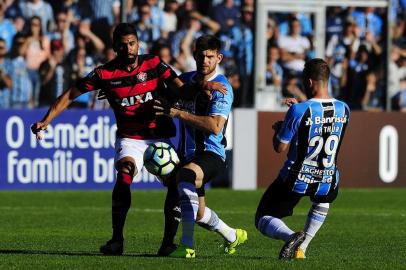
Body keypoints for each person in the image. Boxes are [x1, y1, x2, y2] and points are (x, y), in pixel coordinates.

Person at [30, 23, 225, 256]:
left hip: (159, 138)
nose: (129, 49)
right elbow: (70, 94)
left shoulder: (153, 63)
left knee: (176, 184)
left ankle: (167, 243)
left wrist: (204, 85)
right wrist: (46, 120)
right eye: (123, 45)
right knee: (125, 174)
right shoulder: (104, 74)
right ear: (115, 48)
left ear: (138, 43)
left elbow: (180, 89)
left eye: (132, 43)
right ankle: (116, 240)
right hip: (130, 138)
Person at [154, 35, 247, 259]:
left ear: (219, 58)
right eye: (201, 56)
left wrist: (177, 113)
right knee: (197, 212)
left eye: (210, 56)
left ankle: (186, 245)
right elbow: (162, 98)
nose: (205, 60)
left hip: (211, 154)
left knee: (183, 177)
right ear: (194, 55)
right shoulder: (185, 80)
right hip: (186, 154)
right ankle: (233, 235)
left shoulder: (223, 87)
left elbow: (215, 126)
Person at [255, 58, 350, 260]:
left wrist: (280, 127)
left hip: (296, 176)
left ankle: (292, 237)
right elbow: (322, 126)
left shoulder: (298, 111)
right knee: (322, 201)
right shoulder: (344, 109)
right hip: (327, 177)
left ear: (308, 82)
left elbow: (279, 147)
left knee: (262, 218)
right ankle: (302, 248)